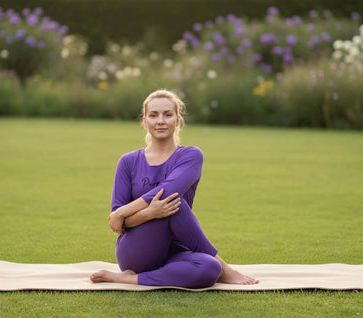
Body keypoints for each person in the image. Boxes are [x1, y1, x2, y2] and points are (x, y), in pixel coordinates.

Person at [90, 89, 258, 288]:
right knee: (173, 203)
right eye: (153, 115)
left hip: (176, 252)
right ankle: (227, 270)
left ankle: (130, 278)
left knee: (210, 269)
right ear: (145, 121)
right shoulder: (128, 161)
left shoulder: (191, 156)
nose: (160, 120)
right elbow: (118, 224)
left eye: (167, 114)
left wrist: (123, 211)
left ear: (177, 119)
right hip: (136, 252)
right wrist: (149, 213)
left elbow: (125, 212)